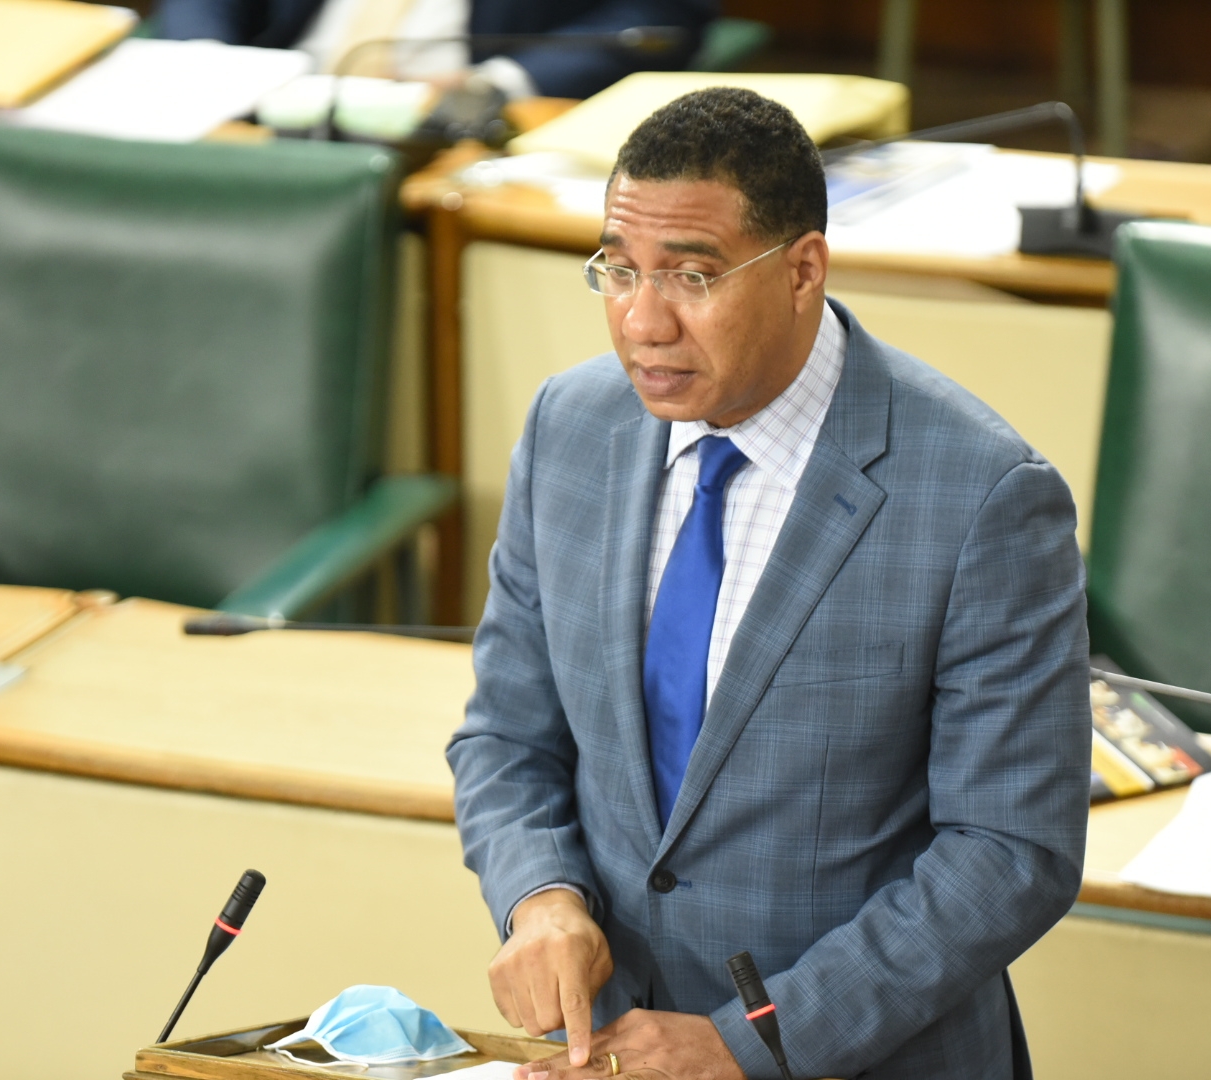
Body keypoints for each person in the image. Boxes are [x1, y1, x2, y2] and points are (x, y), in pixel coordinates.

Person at [446, 88, 1091, 1080]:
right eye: (618, 270)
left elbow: (1009, 854)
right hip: (611, 1051)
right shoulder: (569, 430)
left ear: (801, 271)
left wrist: (751, 1045)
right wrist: (541, 896)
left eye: (691, 276)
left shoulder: (983, 496)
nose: (641, 321)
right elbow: (507, 735)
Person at [151, 0, 714, 100]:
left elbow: (662, 16)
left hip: (455, 120)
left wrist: (496, 83)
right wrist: (210, 61)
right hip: (264, 103)